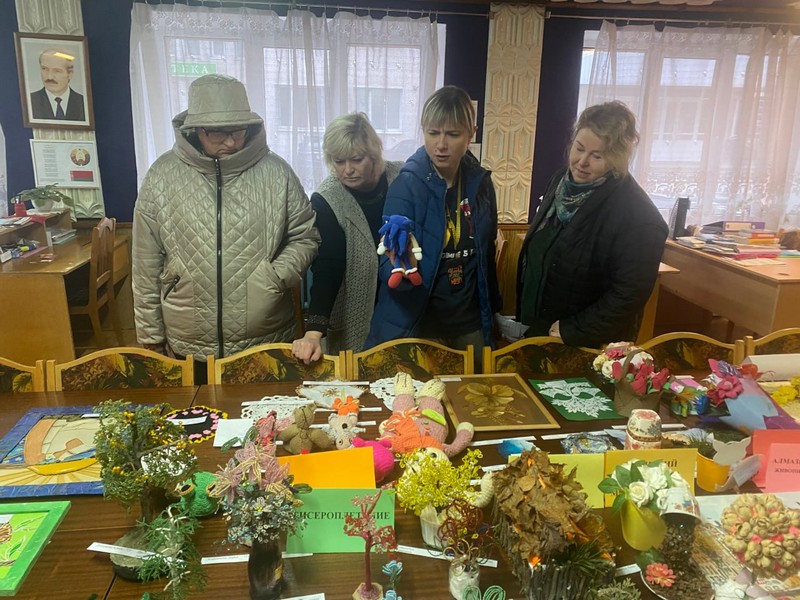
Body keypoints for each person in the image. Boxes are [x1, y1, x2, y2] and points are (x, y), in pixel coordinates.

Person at [132, 74, 319, 372]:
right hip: (188, 342)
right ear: (196, 130)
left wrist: (273, 278)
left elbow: (305, 236)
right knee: (196, 404)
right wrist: (150, 335)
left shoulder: (276, 173)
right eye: (218, 132)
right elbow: (145, 261)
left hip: (266, 337)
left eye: (239, 130)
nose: (231, 141)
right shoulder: (162, 176)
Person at [515, 100, 668, 348]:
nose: (581, 161)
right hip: (544, 327)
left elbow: (628, 295)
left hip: (586, 343)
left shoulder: (640, 218)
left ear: (617, 159)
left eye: (596, 156)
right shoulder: (561, 182)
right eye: (579, 148)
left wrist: (572, 329)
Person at [365, 85, 502, 360]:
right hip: (420, 322)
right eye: (433, 132)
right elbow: (387, 263)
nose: (441, 144)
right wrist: (403, 269)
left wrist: (493, 311)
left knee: (477, 386)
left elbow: (485, 253)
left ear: (471, 134)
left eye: (453, 134)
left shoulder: (481, 184)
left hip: (470, 321)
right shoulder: (406, 185)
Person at [291, 113, 404, 363]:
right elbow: (328, 265)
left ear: (373, 154)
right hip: (356, 312)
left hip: (403, 303)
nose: (348, 170)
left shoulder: (402, 178)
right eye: (339, 161)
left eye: (356, 159)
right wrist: (313, 332)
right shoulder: (327, 198)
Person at [30, 49, 85, 121]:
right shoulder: (30, 101)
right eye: (45, 69)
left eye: (57, 71)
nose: (49, 77)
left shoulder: (83, 103)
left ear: (70, 74)